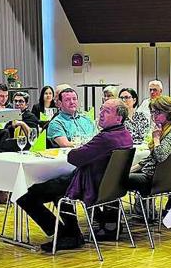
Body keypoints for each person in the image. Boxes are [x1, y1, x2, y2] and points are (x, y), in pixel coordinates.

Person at [17, 99, 133, 250]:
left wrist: (81, 148)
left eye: (106, 111)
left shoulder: (105, 138)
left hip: (89, 186)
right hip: (108, 186)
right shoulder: (125, 135)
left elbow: (74, 158)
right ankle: (70, 234)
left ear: (118, 118)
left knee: (25, 195)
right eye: (101, 110)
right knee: (57, 189)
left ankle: (65, 233)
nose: (100, 114)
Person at [127, 96, 171, 199]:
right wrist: (130, 169)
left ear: (169, 113)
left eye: (158, 112)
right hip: (154, 174)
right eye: (153, 112)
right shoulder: (164, 130)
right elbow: (151, 158)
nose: (154, 116)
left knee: (116, 179)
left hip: (159, 178)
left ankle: (113, 212)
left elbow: (160, 156)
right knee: (119, 175)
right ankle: (143, 209)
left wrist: (156, 139)